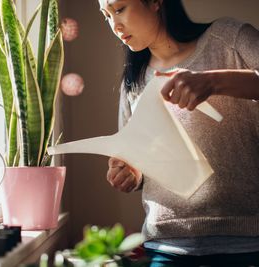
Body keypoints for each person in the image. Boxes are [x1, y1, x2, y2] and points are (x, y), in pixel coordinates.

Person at [98, 0, 259, 266]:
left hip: (245, 243)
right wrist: (129, 172)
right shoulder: (134, 81)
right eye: (106, 16)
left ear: (155, 2)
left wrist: (211, 81)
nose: (114, 25)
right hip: (165, 247)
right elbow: (135, 157)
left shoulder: (229, 38)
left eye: (119, 9)